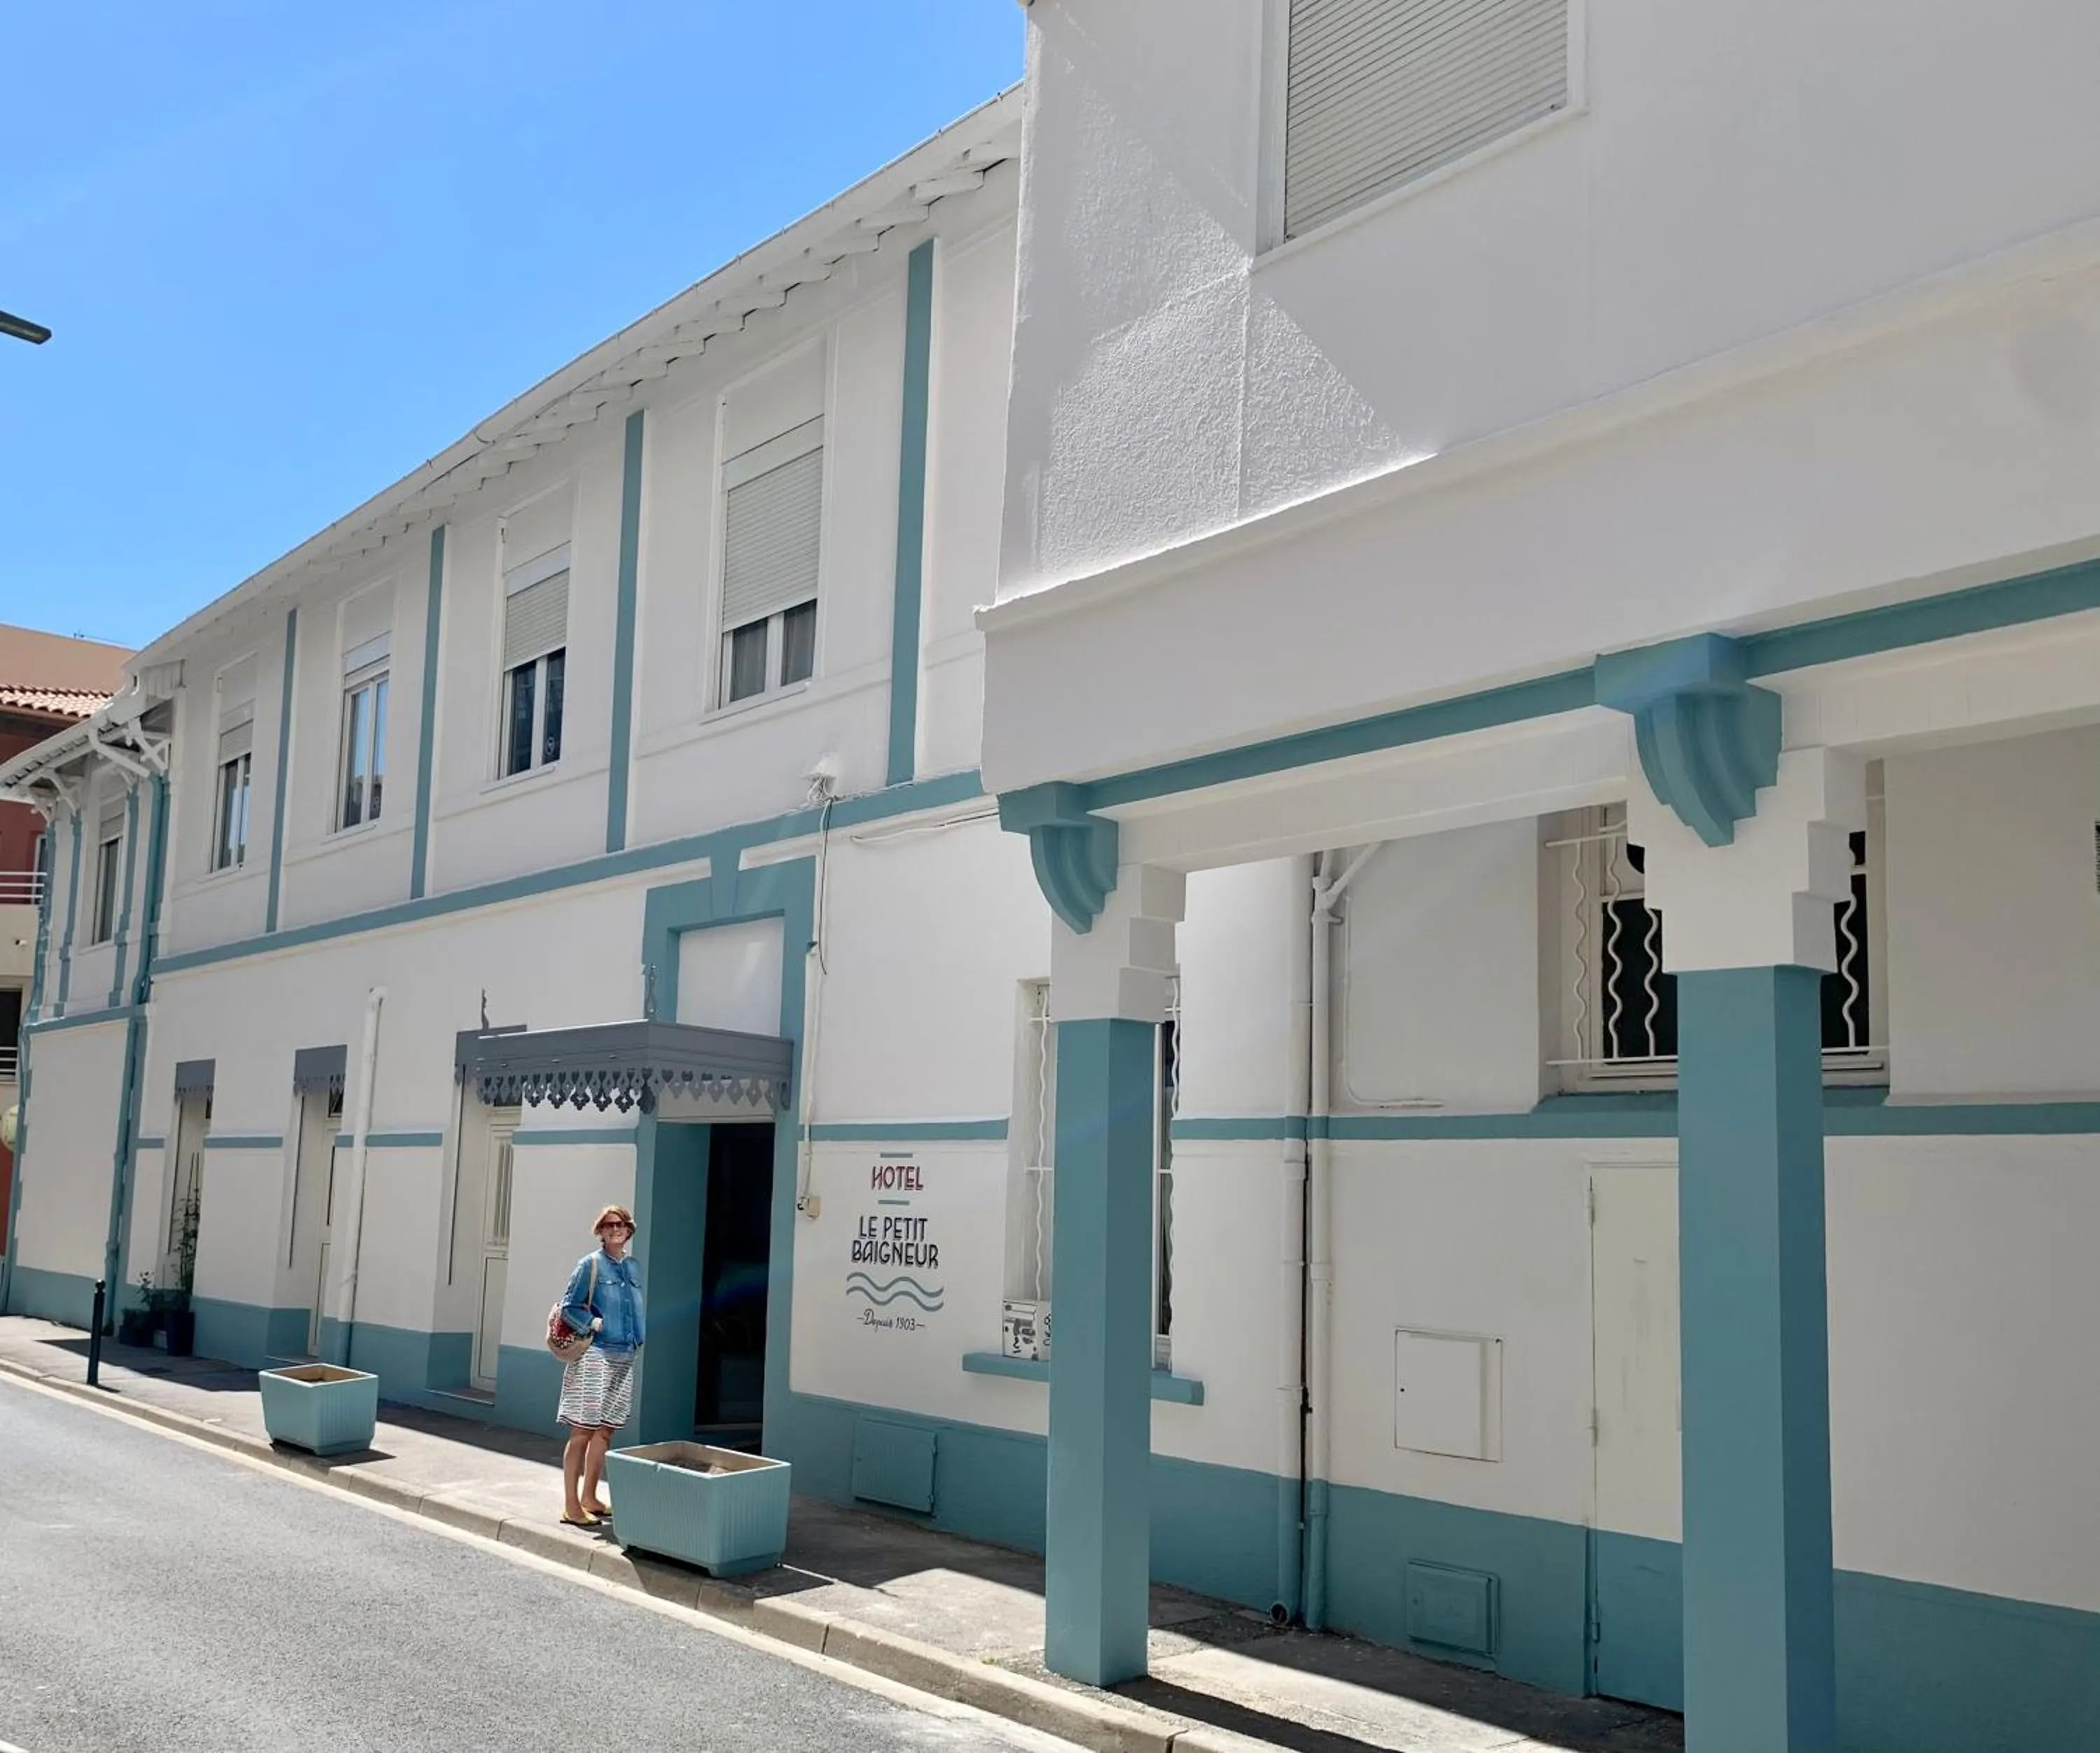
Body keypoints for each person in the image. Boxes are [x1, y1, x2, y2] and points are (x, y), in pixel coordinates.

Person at [556, 1204, 645, 1526]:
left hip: (625, 1353)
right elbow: (569, 1307)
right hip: (597, 1355)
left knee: (606, 1430)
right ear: (601, 1231)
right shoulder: (590, 1265)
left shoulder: (632, 1267)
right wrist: (593, 1324)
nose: (615, 1229)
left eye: (620, 1224)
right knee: (583, 1429)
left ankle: (590, 1497)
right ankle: (571, 1505)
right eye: (608, 1225)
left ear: (629, 1230)